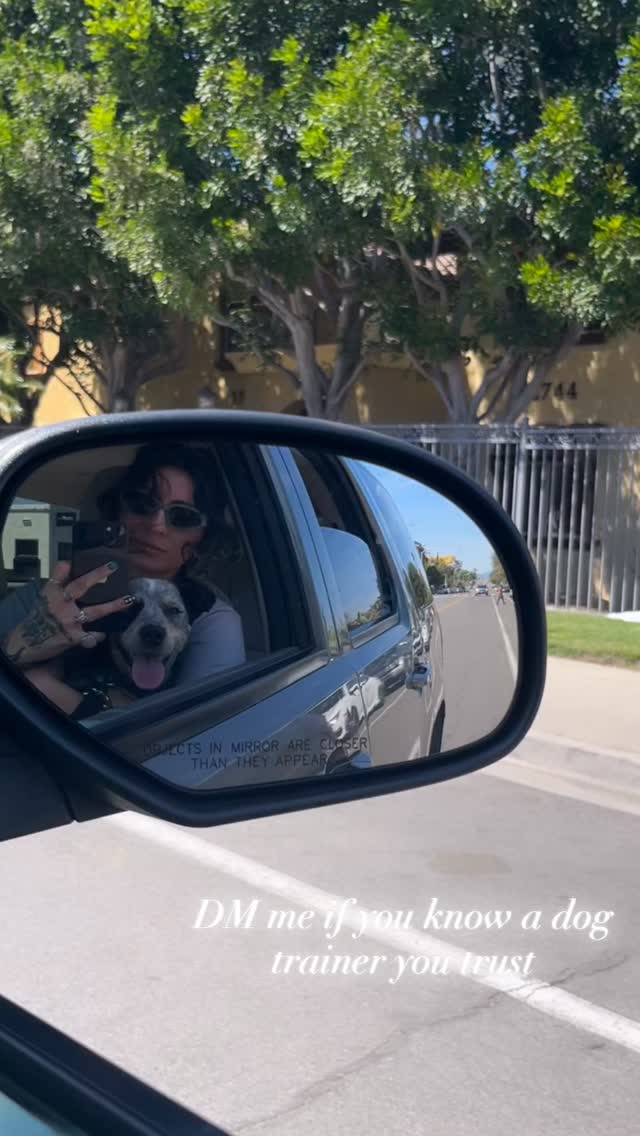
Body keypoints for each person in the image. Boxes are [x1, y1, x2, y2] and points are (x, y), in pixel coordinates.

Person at [0, 443, 247, 718]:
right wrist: (19, 644)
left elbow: (202, 733)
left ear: (203, 538)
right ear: (118, 511)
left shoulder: (209, 617)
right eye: (142, 504)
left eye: (182, 517)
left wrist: (53, 692)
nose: (156, 525)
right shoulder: (54, 591)